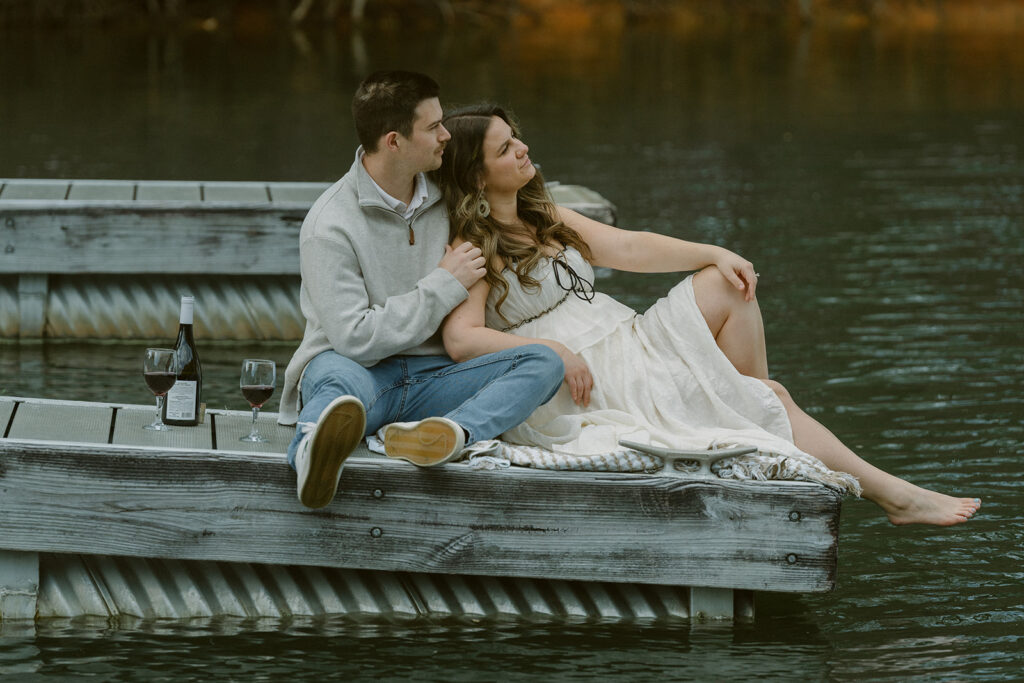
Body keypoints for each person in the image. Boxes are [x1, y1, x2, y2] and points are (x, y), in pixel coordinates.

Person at [433, 103, 982, 527]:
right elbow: (461, 339)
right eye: (506, 149)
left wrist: (713, 252)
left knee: (728, 283)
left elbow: (627, 248)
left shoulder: (541, 211)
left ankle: (756, 401)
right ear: (477, 177)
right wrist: (552, 352)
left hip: (627, 338)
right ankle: (895, 494)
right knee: (767, 399)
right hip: (584, 378)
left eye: (516, 137)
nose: (524, 149)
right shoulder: (473, 246)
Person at [278, 76, 563, 509]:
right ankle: (310, 450)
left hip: (438, 378)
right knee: (338, 386)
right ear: (395, 141)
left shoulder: (451, 199)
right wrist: (444, 284)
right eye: (433, 128)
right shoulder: (329, 226)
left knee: (543, 362)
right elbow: (355, 338)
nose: (445, 134)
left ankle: (448, 435)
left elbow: (502, 199)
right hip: (360, 371)